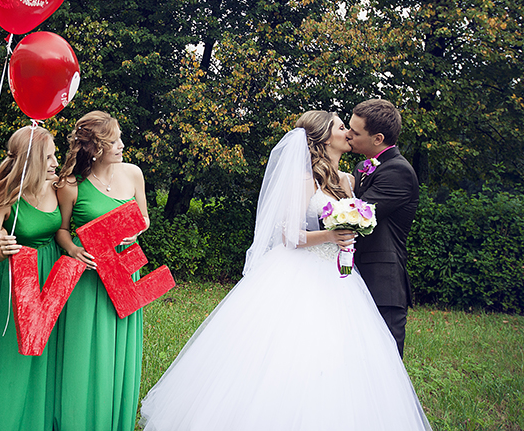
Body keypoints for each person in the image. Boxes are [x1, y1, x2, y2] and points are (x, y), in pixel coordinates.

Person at [139, 111, 432, 431]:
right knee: (291, 349)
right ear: (322, 137)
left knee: (337, 353)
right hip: (301, 272)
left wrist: (346, 234)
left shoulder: (349, 180)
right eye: (340, 127)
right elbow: (290, 235)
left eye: (349, 128)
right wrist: (331, 236)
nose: (347, 132)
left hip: (340, 278)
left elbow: (365, 214)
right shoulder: (305, 178)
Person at [53, 111, 149, 431]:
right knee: (86, 354)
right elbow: (61, 230)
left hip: (125, 274)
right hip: (88, 278)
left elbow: (144, 219)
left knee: (119, 352)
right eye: (114, 141)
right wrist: (73, 249)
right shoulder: (70, 185)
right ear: (95, 148)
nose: (122, 145)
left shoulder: (134, 174)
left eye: (120, 137)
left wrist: (135, 232)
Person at [0, 125, 62, 431]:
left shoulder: (59, 187)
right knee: (14, 352)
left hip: (53, 276)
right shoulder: (6, 195)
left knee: (47, 351)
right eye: (49, 157)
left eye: (56, 154)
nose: (56, 162)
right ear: (30, 161)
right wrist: (1, 239)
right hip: (19, 276)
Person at [347, 98, 420, 358]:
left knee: (384, 366)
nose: (348, 134)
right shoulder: (361, 167)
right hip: (354, 278)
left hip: (382, 285)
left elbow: (357, 216)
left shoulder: (398, 171)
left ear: (377, 138)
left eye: (355, 132)